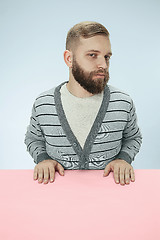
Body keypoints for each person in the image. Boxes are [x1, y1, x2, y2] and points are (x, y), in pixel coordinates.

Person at [24, 21, 142, 186]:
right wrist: (43, 160)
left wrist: (123, 159)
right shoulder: (44, 103)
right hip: (55, 199)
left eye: (106, 57)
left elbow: (133, 137)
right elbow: (33, 138)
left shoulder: (122, 102)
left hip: (112, 198)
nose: (103, 65)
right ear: (69, 58)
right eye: (93, 55)